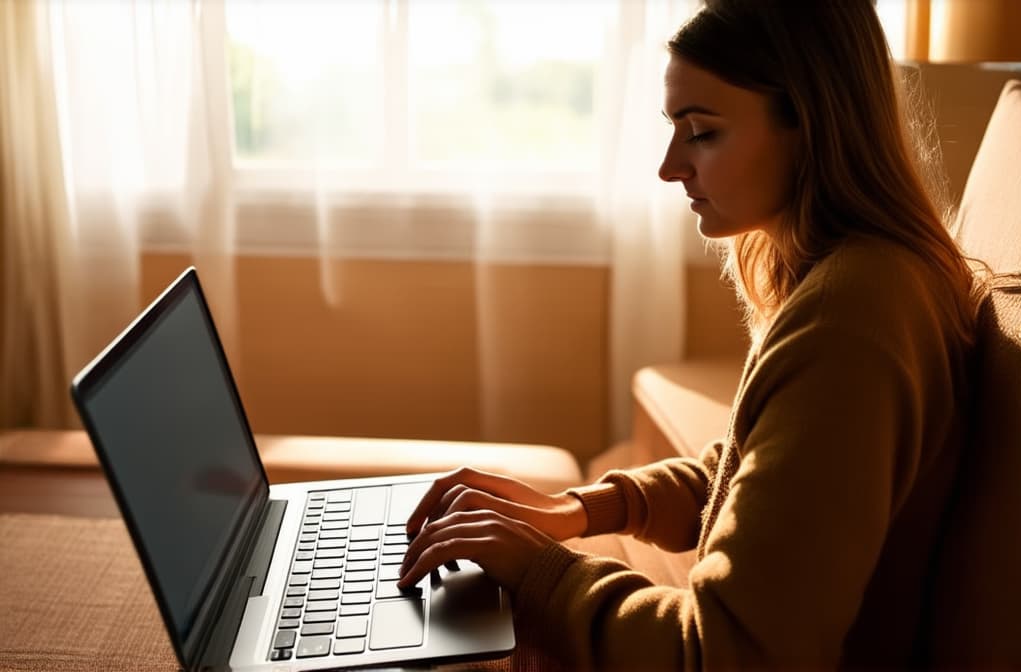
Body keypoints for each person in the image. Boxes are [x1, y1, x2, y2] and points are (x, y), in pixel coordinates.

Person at [397, 0, 982, 668]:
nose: (670, 166)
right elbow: (756, 478)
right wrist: (579, 511)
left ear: (812, 126)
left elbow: (726, 654)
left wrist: (540, 570)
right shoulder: (866, 281)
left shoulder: (849, 324)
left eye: (701, 132)